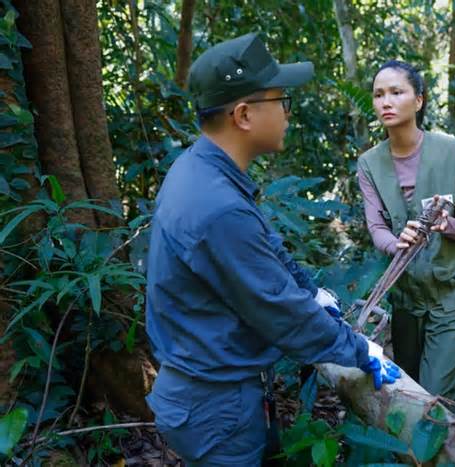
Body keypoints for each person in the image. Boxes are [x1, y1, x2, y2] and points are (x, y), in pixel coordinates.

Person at [145, 33, 399, 467]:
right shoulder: (216, 205)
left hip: (210, 395)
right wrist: (360, 350)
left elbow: (266, 250)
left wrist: (312, 291)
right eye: (281, 100)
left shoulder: (202, 170)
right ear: (244, 115)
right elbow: (282, 314)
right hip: (217, 409)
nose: (286, 113)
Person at [357, 60, 455, 407]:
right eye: (379, 94)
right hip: (407, 300)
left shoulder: (451, 150)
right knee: (407, 393)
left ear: (418, 100)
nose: (386, 101)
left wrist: (448, 225)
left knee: (435, 398)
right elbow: (377, 228)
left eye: (397, 92)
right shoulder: (369, 163)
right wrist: (395, 243)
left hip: (454, 294)